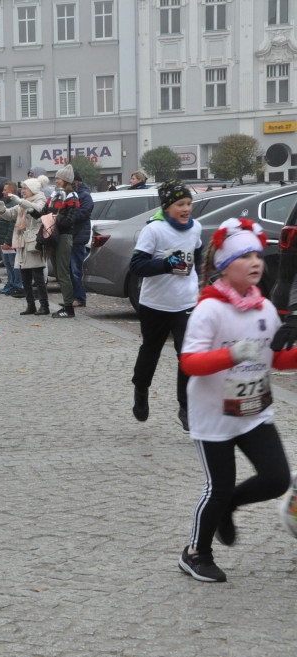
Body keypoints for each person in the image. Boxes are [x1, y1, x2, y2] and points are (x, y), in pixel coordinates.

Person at [176, 218, 297, 582]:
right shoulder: (209, 309)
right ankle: (195, 553)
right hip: (213, 416)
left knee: (277, 479)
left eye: (258, 255)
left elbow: (277, 359)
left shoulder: (264, 308)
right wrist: (231, 355)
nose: (256, 262)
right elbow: (189, 363)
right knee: (219, 485)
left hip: (254, 411)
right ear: (226, 267)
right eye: (245, 257)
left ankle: (228, 505)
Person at [129, 180, 202, 431]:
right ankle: (141, 390)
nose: (186, 209)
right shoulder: (155, 230)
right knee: (151, 351)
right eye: (180, 204)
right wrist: (167, 264)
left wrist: (199, 283)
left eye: (189, 204)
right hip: (155, 305)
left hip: (186, 304)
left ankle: (186, 407)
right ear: (168, 206)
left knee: (187, 357)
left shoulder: (196, 228)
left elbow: (198, 258)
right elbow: (137, 266)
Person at [4, 175, 51, 315]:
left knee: (37, 276)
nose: (22, 190)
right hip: (21, 241)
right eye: (22, 188)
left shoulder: (40, 198)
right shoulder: (22, 202)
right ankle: (30, 305)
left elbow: (37, 209)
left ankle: (44, 305)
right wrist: (2, 210)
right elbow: (11, 214)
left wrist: (21, 201)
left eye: (25, 188)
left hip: (34, 241)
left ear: (32, 189)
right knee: (25, 277)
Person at [45, 165, 81, 318]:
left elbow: (69, 220)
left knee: (63, 273)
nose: (56, 180)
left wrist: (54, 217)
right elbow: (44, 211)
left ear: (66, 180)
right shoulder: (56, 195)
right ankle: (66, 304)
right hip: (55, 236)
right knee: (59, 274)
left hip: (64, 237)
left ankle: (68, 308)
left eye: (58, 178)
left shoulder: (72, 196)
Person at [0, 180, 24, 297]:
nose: (3, 192)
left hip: (10, 240)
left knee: (13, 264)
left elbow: (12, 226)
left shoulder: (13, 205)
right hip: (4, 239)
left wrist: (7, 241)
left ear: (11, 191)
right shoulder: (7, 203)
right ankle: (11, 283)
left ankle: (17, 284)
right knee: (7, 263)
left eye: (5, 190)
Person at [71, 171, 94, 308]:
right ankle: (75, 296)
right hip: (73, 235)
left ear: (76, 181)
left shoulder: (84, 196)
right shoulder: (74, 194)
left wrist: (69, 214)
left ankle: (80, 298)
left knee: (76, 269)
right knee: (71, 269)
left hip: (78, 236)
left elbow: (83, 213)